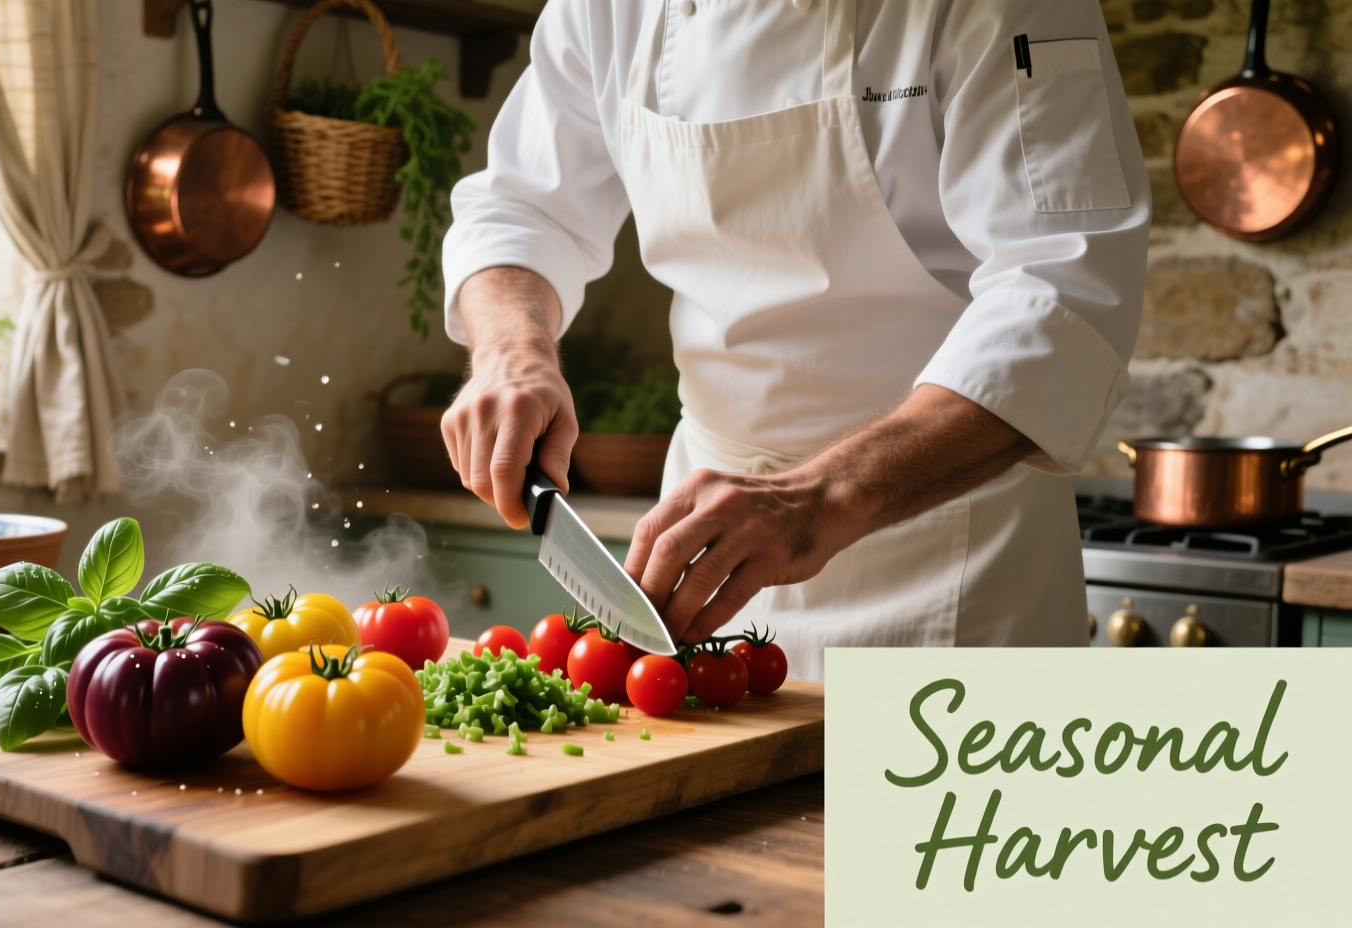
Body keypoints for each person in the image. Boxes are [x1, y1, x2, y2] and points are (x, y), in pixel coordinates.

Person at [438, 0, 1149, 679]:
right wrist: (511, 352)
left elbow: (1064, 289)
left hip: (950, 557)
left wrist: (824, 496)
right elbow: (520, 209)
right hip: (703, 549)